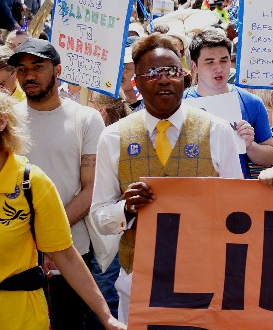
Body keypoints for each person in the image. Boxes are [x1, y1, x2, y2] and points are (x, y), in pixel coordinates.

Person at [88, 34, 243, 323]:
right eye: (152, 73)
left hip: (204, 282)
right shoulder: (113, 137)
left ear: (184, 77)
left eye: (171, 71)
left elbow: (238, 207)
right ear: (136, 81)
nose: (163, 80)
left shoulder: (217, 131)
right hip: (138, 285)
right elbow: (99, 217)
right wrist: (126, 209)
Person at [0, 84, 124, 330]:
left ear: (1, 122)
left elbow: (66, 256)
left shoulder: (32, 182)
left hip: (20, 319)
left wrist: (107, 317)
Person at [8, 38, 114, 327]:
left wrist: (49, 238)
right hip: (15, 252)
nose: (28, 75)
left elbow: (91, 188)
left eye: (37, 67)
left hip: (71, 253)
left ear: (57, 70)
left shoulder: (87, 119)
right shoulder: (6, 121)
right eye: (21, 69)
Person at [183, 28, 273, 178]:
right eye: (210, 62)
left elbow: (269, 157)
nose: (219, 68)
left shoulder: (251, 103)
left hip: (235, 189)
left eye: (224, 60)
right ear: (194, 66)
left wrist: (250, 146)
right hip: (192, 188)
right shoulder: (180, 103)